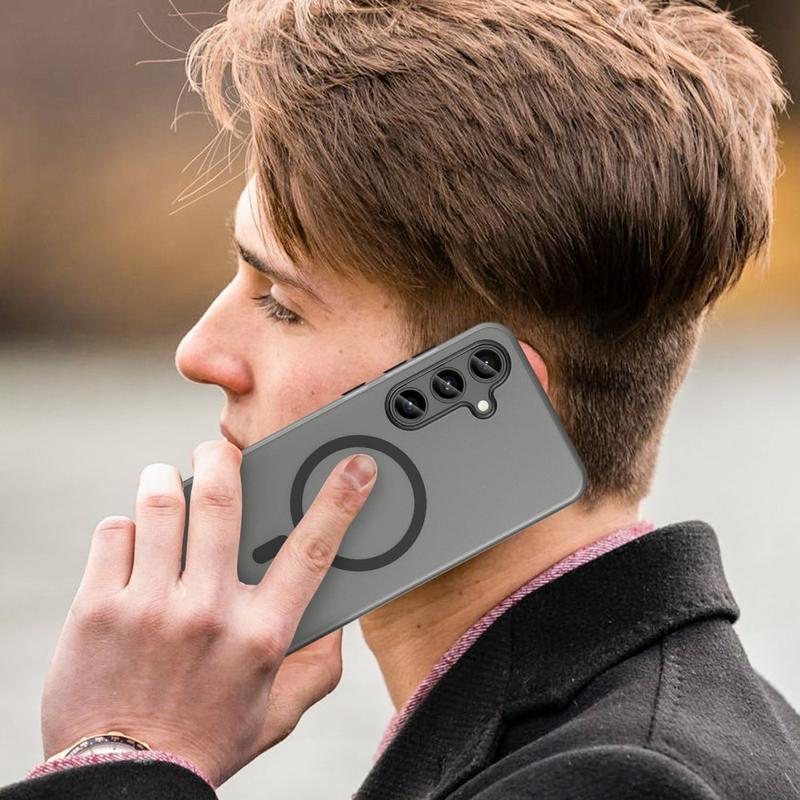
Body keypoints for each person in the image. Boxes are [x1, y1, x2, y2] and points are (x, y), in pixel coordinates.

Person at [2, 0, 798, 797]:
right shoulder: (689, 732)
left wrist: (124, 752)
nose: (199, 353)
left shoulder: (614, 781)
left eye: (281, 304)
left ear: (484, 409)